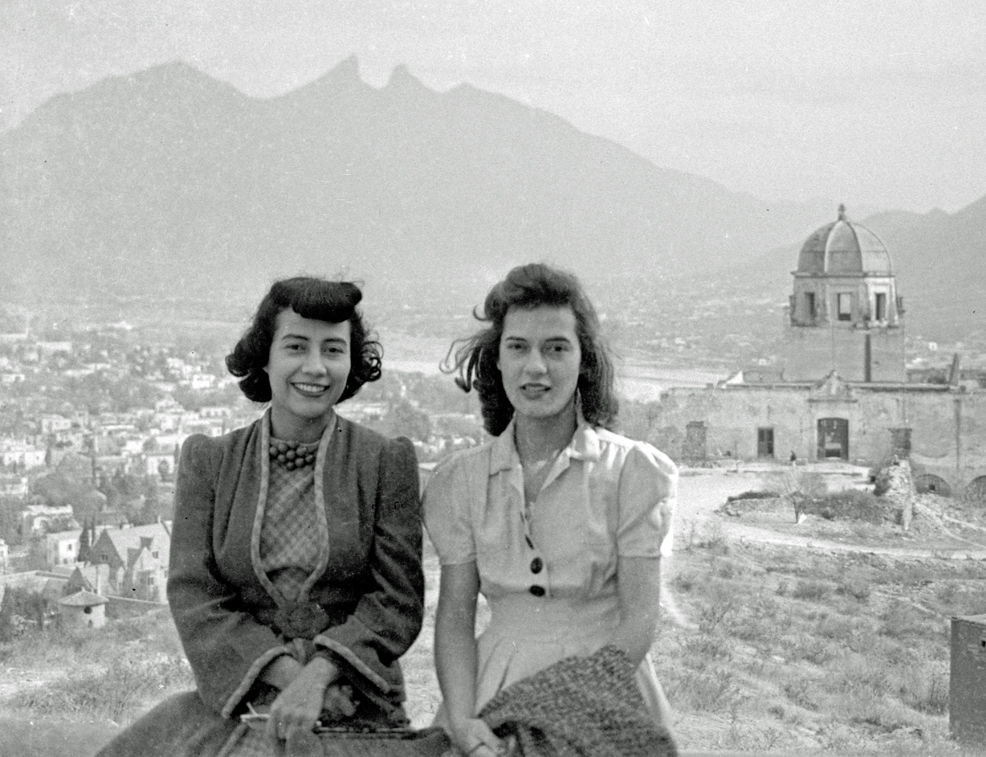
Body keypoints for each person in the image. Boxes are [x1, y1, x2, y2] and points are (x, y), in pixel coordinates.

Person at [96, 277, 425, 757]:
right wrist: (289, 677)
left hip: (353, 700)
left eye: (333, 349)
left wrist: (321, 676)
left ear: (352, 362)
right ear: (265, 356)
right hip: (239, 698)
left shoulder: (384, 462)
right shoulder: (211, 461)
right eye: (296, 346)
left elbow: (397, 599)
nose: (315, 367)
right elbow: (195, 595)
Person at [422, 264, 677, 757]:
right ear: (496, 360)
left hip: (605, 693)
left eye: (556, 348)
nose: (535, 367)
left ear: (584, 360)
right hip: (491, 695)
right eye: (518, 347)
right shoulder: (460, 481)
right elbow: (455, 618)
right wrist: (460, 720)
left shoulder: (633, 472)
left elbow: (641, 616)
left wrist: (559, 710)